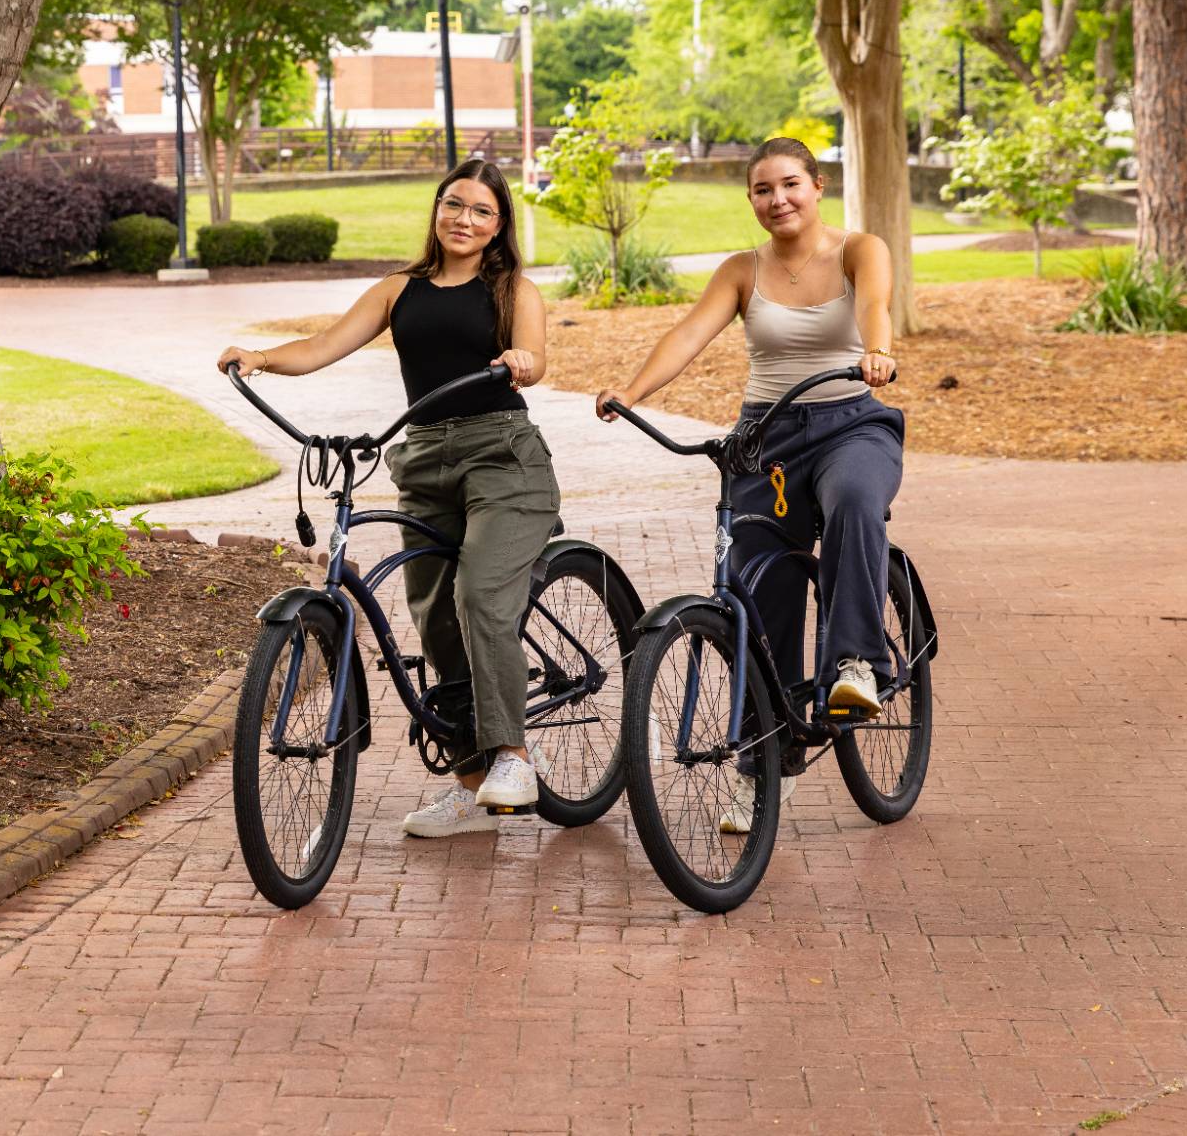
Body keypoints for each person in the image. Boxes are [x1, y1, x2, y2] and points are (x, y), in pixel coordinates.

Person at [216, 158, 560, 837]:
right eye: (454, 204)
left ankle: (514, 755)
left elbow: (536, 357)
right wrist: (260, 359)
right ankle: (471, 785)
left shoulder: (513, 288)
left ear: (499, 226)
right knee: (432, 619)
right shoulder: (399, 289)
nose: (464, 219)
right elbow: (323, 344)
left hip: (503, 456)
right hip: (423, 459)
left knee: (481, 594)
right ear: (436, 209)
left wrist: (523, 361)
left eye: (481, 211)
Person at [594, 135, 903, 732]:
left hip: (852, 427)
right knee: (759, 586)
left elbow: (875, 305)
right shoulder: (742, 270)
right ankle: (764, 748)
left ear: (818, 186)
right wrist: (631, 392)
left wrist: (878, 351)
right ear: (750, 200)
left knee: (855, 504)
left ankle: (855, 663)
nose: (778, 199)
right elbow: (688, 336)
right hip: (766, 438)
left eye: (791, 184)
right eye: (763, 190)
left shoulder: (859, 250)